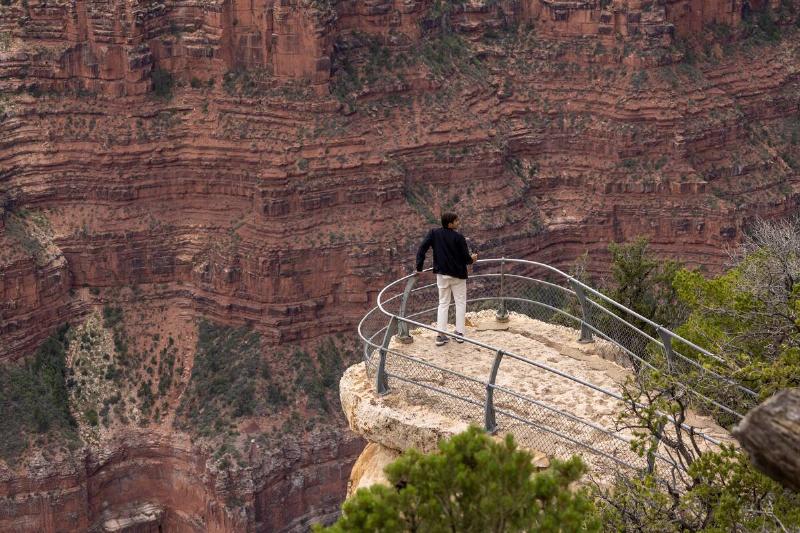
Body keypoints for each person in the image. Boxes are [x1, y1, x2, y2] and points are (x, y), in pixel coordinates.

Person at [415, 212, 478, 346]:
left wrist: (419, 267)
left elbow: (422, 248)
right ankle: (459, 334)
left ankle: (441, 335)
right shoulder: (459, 237)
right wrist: (472, 259)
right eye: (456, 221)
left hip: (442, 275)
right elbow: (465, 258)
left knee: (443, 304)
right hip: (458, 276)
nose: (458, 222)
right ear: (450, 224)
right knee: (460, 303)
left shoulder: (434, 233)